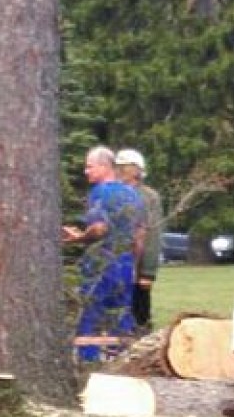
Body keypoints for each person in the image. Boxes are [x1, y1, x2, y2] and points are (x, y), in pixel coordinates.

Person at [62, 146, 144, 362]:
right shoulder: (132, 194)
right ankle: (124, 362)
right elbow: (139, 235)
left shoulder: (99, 192)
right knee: (121, 315)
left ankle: (88, 364)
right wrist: (134, 265)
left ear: (104, 167)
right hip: (125, 263)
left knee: (90, 313)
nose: (85, 172)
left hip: (101, 263)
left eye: (89, 167)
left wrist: (79, 237)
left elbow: (99, 228)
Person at [115, 148, 163, 333]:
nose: (119, 171)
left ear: (136, 170)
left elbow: (153, 235)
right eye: (118, 167)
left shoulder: (148, 197)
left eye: (124, 167)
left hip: (138, 267)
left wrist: (147, 272)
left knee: (139, 314)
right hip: (116, 266)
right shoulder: (113, 193)